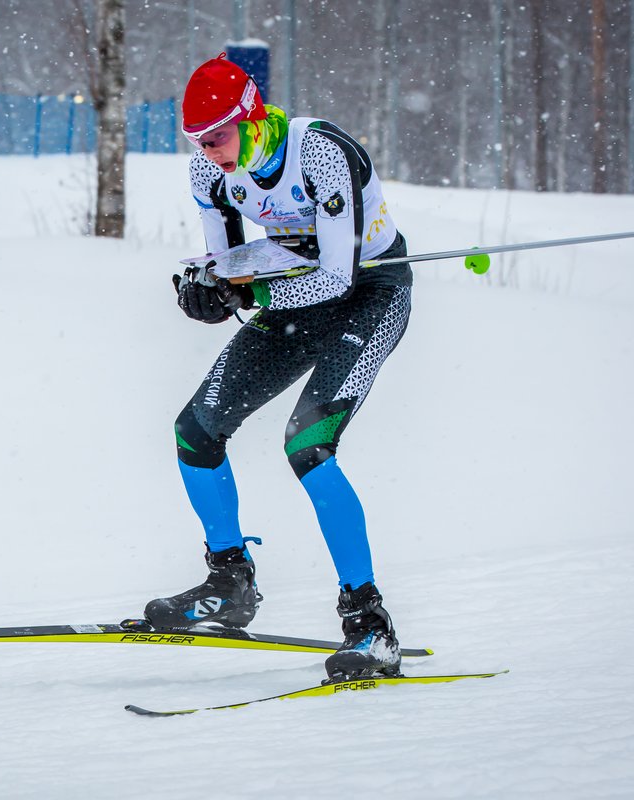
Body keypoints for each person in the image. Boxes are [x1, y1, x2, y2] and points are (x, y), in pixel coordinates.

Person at [142, 55, 415, 681]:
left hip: (369, 296)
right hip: (295, 299)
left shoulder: (320, 152)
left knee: (307, 443)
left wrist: (248, 292)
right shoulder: (209, 172)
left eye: (217, 137)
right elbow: (229, 266)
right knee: (196, 431)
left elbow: (338, 277)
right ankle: (229, 583)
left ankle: (370, 623)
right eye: (196, 141)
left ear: (250, 118)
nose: (208, 152)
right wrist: (209, 291)